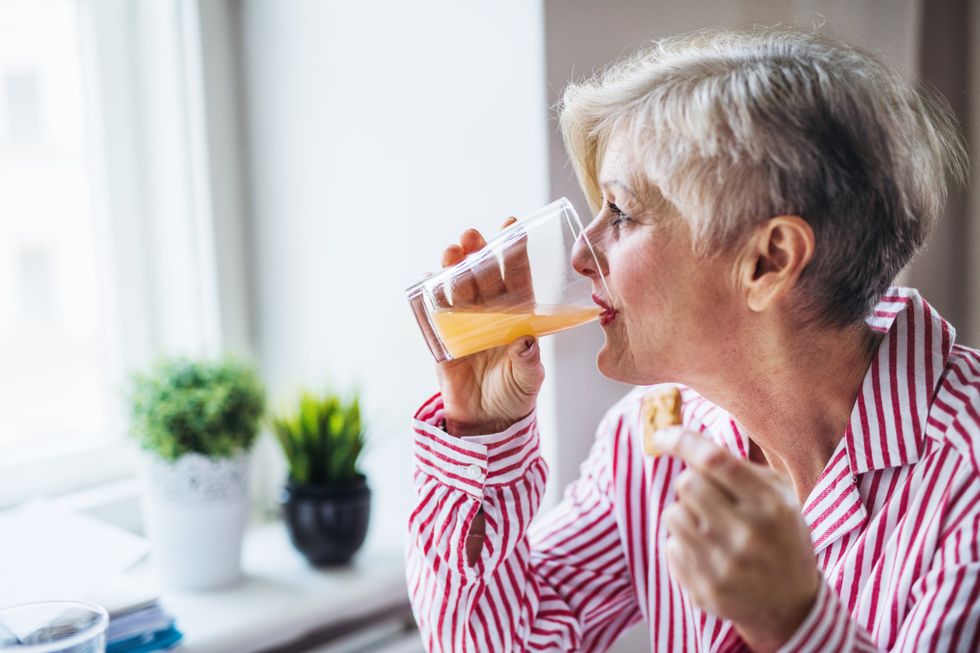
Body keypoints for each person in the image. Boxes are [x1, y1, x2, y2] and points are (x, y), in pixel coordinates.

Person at [406, 27, 979, 652]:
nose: (579, 253)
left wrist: (798, 626)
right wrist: (485, 431)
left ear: (769, 260)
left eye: (620, 213)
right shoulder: (649, 443)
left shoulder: (966, 476)